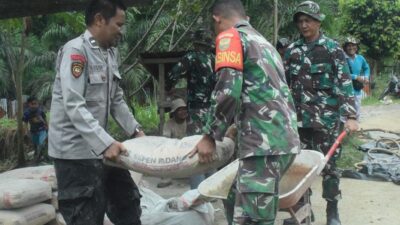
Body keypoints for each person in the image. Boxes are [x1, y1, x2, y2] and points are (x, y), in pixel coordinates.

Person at [191, 0, 301, 224]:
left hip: (263, 146)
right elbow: (264, 91)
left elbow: (228, 90)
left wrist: (210, 136)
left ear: (216, 19)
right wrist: (236, 125)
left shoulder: (231, 37)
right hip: (281, 139)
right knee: (239, 200)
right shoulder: (264, 43)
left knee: (255, 218)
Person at [48, 0, 144, 224]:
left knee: (127, 202)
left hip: (102, 150)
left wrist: (136, 131)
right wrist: (106, 143)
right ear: (100, 19)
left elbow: (116, 100)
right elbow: (73, 104)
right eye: (119, 24)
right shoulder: (76, 52)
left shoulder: (109, 54)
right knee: (86, 216)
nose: (121, 30)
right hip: (75, 155)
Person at [284, 1, 359, 225]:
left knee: (330, 168)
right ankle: (303, 213)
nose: (303, 24)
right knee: (299, 169)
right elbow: (283, 86)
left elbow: (344, 82)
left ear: (318, 22)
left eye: (308, 20)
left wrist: (351, 117)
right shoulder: (291, 51)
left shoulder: (332, 49)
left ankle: (332, 212)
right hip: (298, 122)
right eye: (300, 21)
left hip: (326, 121)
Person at [167, 28, 218, 189]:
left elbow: (172, 76)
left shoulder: (191, 57)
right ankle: (213, 189)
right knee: (211, 147)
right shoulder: (215, 58)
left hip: (196, 109)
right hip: (213, 110)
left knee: (195, 150)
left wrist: (171, 88)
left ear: (196, 42)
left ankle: (197, 192)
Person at [157, 98, 188, 188]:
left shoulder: (190, 121)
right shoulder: (169, 124)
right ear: (174, 113)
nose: (183, 112)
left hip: (189, 149)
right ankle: (167, 178)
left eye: (184, 109)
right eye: (180, 110)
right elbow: (165, 139)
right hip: (175, 149)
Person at [343, 36, 370, 120]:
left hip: (356, 89)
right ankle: (344, 132)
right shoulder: (342, 58)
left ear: (356, 47)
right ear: (345, 47)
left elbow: (366, 67)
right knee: (344, 113)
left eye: (353, 45)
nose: (351, 47)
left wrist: (366, 77)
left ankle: (355, 131)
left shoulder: (360, 58)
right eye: (349, 45)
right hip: (344, 90)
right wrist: (355, 77)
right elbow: (340, 73)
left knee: (357, 111)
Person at [23, 96, 48, 163]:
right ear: (29, 104)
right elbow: (25, 122)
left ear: (38, 104)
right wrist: (26, 131)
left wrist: (47, 126)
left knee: (41, 143)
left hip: (42, 130)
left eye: (35, 104)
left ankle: (40, 158)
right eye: (32, 104)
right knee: (35, 144)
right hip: (33, 131)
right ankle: (36, 154)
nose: (34, 105)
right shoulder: (26, 113)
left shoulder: (40, 111)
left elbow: (45, 119)